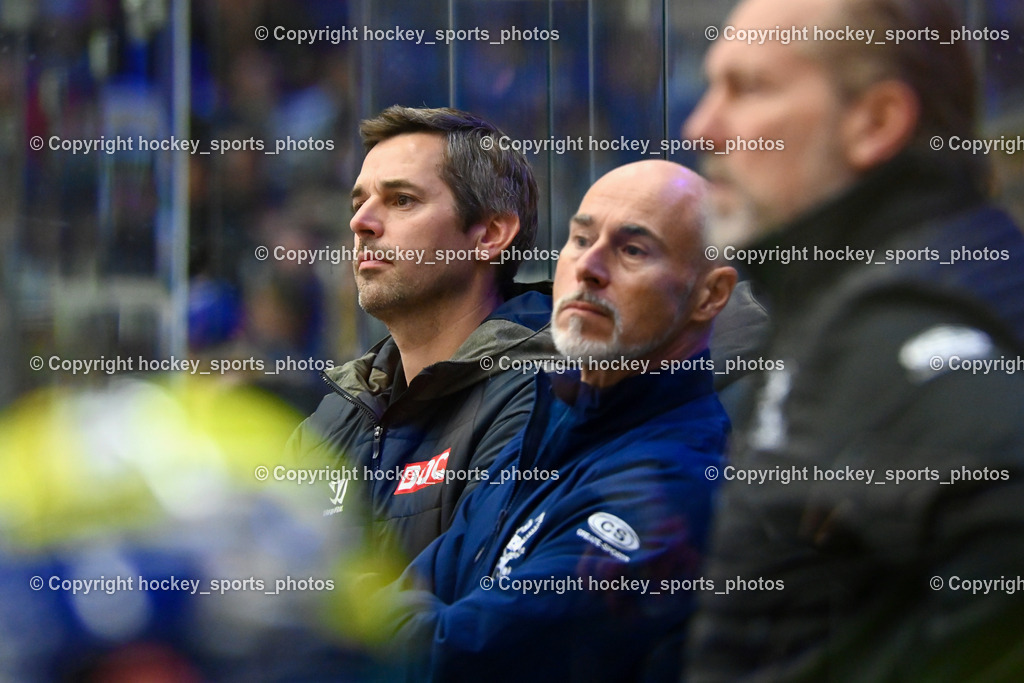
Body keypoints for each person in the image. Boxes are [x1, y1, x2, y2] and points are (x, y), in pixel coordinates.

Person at [683, 0, 1024, 680]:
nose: (701, 126)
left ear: (876, 122)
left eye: (749, 88)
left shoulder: (908, 326)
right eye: (712, 85)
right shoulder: (838, 297)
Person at [374, 160, 737, 682]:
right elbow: (419, 595)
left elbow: (455, 662)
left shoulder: (672, 486)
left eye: (633, 250)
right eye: (581, 239)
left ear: (710, 295)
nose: (589, 266)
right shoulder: (551, 426)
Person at [287, 106, 554, 563]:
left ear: (490, 234)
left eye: (402, 200)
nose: (360, 223)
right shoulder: (330, 421)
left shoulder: (545, 397)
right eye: (358, 203)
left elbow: (472, 592)